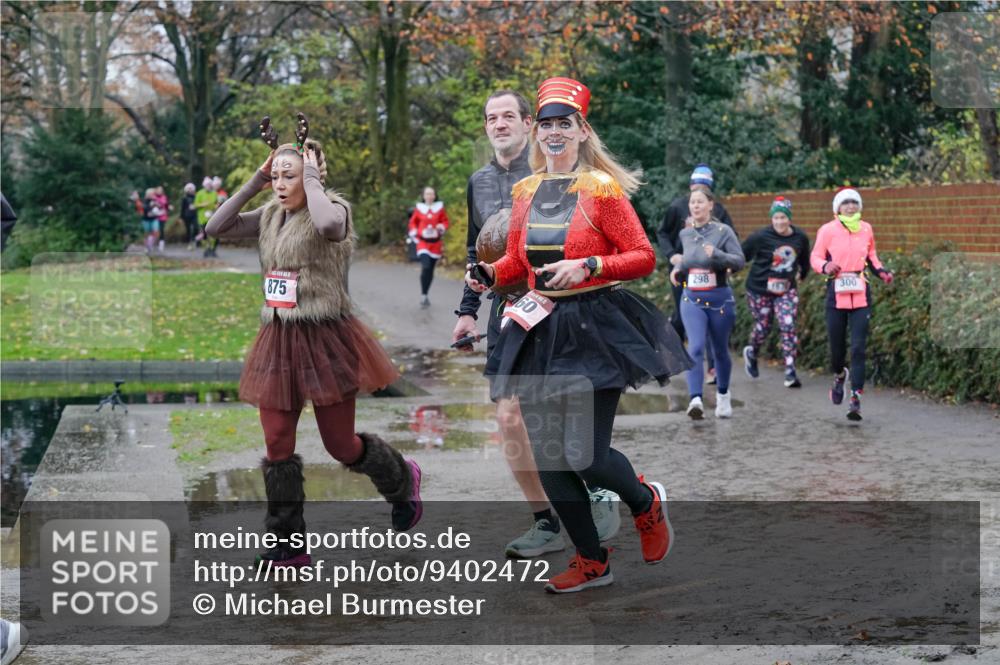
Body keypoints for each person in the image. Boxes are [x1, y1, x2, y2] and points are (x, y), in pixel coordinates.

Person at [472, 77, 691, 593]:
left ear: (580, 130)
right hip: (539, 327)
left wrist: (588, 265)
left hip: (596, 327)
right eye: (545, 124)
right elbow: (519, 262)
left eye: (562, 124)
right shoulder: (525, 191)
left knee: (587, 455)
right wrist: (490, 275)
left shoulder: (602, 189)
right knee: (550, 457)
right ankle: (592, 560)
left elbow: (642, 256)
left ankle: (644, 503)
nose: (552, 133)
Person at [206, 115, 422, 566]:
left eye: (292, 175)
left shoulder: (334, 208)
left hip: (327, 337)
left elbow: (327, 226)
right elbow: (216, 228)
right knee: (277, 444)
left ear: (314, 174)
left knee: (340, 446)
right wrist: (255, 181)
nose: (283, 184)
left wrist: (312, 179)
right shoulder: (268, 215)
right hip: (278, 338)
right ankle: (286, 544)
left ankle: (402, 480)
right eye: (278, 177)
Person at [452, 89, 620, 559]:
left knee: (564, 420)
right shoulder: (479, 182)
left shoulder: (555, 169)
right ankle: (545, 521)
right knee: (510, 419)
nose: (499, 124)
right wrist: (467, 310)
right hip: (507, 307)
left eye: (509, 116)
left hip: (562, 306)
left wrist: (590, 273)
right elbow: (477, 251)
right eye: (491, 117)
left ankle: (598, 487)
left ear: (530, 124)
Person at [810, 187, 894, 421]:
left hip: (860, 294)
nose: (850, 207)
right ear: (837, 207)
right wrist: (826, 267)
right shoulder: (827, 230)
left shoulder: (866, 229)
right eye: (845, 203)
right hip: (836, 294)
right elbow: (815, 257)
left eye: (854, 203)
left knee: (858, 348)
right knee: (837, 349)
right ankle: (839, 375)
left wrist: (883, 272)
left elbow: (872, 256)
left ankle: (856, 398)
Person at [670, 184, 745, 420]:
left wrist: (719, 255)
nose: (695, 206)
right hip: (691, 296)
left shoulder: (723, 232)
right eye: (692, 202)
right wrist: (678, 269)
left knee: (720, 350)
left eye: (700, 202)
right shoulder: (685, 233)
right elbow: (688, 260)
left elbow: (740, 260)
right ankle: (696, 400)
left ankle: (723, 396)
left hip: (719, 298)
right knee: (695, 347)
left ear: (711, 205)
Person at [657, 164, 737, 386]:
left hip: (712, 274)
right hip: (683, 271)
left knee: (710, 321)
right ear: (690, 185)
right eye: (696, 185)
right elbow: (663, 233)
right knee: (682, 317)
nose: (699, 190)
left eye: (705, 186)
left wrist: (726, 260)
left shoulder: (719, 211)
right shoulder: (677, 207)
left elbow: (733, 241)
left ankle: (712, 368)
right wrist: (672, 255)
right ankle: (670, 359)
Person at [740, 196, 811, 388]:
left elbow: (805, 262)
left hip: (786, 290)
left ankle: (790, 370)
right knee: (763, 327)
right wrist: (729, 267)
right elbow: (741, 255)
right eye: (776, 218)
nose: (779, 222)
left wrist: (802, 275)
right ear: (772, 218)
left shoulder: (800, 238)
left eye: (783, 218)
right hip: (759, 289)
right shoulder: (761, 236)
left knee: (788, 325)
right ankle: (752, 351)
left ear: (789, 218)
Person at [407, 186, 450, 308]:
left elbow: (445, 221)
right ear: (423, 196)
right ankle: (423, 295)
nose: (430, 196)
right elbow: (412, 222)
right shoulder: (419, 208)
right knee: (425, 267)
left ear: (435, 196)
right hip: (422, 243)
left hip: (435, 244)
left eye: (432, 194)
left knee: (430, 269)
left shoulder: (440, 208)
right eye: (427, 194)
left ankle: (425, 294)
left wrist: (441, 226)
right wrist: (414, 230)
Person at [193, 177, 217, 252]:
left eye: (210, 185)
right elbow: (195, 205)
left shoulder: (214, 193)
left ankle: (212, 249)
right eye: (207, 185)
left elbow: (216, 203)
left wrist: (216, 206)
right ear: (204, 185)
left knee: (213, 234)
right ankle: (206, 250)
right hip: (202, 217)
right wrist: (203, 204)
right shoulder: (200, 193)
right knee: (204, 235)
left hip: (212, 216)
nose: (208, 186)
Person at [141, 187, 163, 254]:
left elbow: (160, 206)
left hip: (154, 218)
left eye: (153, 194)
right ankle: (146, 247)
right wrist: (150, 206)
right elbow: (144, 208)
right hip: (146, 219)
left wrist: (158, 206)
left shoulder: (155, 200)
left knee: (156, 232)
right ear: (148, 194)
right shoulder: (144, 200)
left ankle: (151, 244)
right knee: (146, 233)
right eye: (151, 194)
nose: (153, 195)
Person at [180, 183, 199, 250]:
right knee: (188, 230)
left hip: (195, 215)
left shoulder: (196, 196)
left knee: (196, 228)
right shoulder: (184, 198)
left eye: (191, 188)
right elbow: (182, 208)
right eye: (189, 188)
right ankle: (189, 242)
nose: (190, 190)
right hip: (186, 215)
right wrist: (181, 217)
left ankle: (195, 240)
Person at [154, 185, 170, 253]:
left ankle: (161, 244)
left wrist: (169, 207)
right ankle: (154, 243)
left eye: (161, 190)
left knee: (161, 230)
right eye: (159, 190)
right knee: (155, 230)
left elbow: (166, 206)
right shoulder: (153, 197)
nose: (160, 191)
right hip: (154, 216)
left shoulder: (164, 197)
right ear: (156, 190)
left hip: (163, 216)